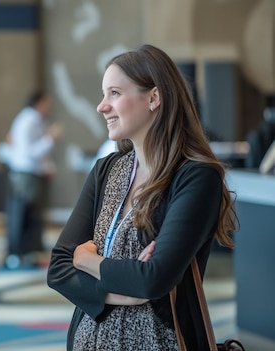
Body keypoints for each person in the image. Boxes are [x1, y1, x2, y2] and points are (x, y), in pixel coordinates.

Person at [46, 44, 238, 350]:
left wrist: (87, 260)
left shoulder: (196, 177)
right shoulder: (106, 171)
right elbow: (58, 268)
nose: (102, 106)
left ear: (154, 98)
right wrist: (121, 293)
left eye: (114, 94)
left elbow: (153, 279)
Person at [4, 91, 62, 269]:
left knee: (31, 215)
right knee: (22, 215)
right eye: (47, 103)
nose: (49, 108)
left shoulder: (34, 120)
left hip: (32, 173)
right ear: (39, 103)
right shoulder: (28, 121)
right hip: (26, 174)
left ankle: (27, 252)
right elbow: (29, 152)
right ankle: (17, 254)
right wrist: (50, 138)